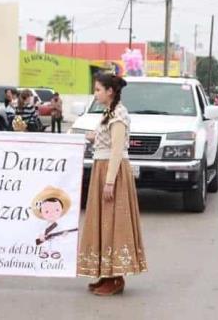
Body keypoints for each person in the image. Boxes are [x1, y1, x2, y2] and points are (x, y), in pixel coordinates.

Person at [77, 73, 146, 296]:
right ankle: (105, 274)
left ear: (110, 91)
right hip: (102, 167)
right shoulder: (109, 112)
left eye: (98, 89)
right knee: (102, 222)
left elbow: (116, 150)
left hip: (111, 171)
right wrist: (80, 137)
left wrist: (109, 182)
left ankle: (116, 278)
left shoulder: (118, 114)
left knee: (113, 223)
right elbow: (103, 139)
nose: (95, 93)